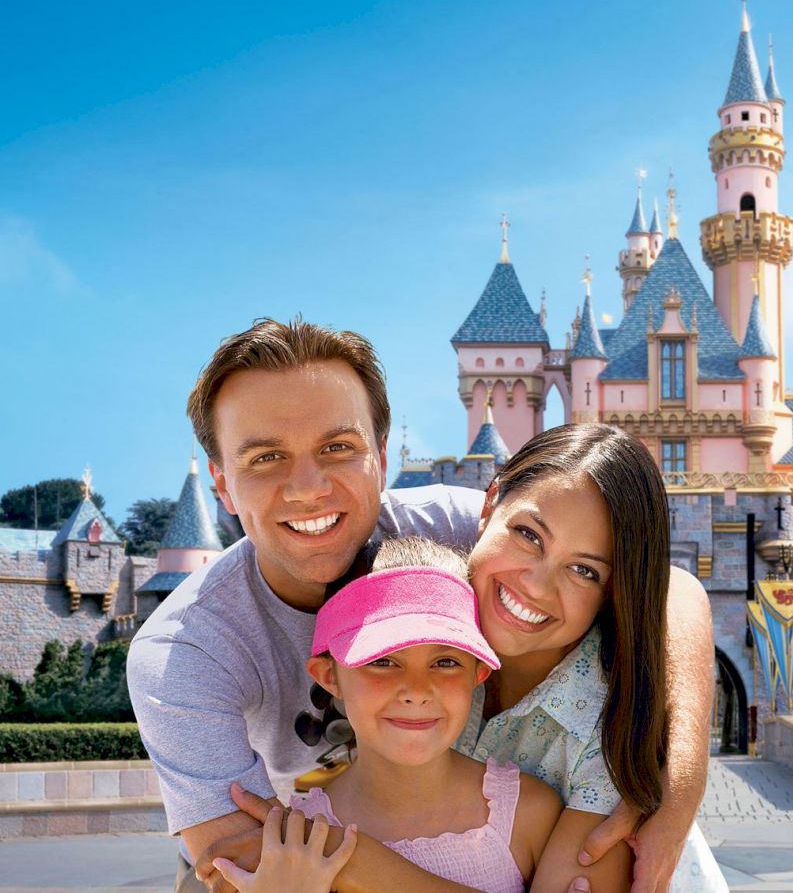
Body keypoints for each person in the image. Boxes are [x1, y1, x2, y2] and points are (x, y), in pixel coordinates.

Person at [127, 318, 714, 892]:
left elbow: (668, 585)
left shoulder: (458, 537)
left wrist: (679, 783)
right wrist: (329, 849)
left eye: (337, 447)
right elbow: (240, 863)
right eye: (265, 457)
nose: (307, 487)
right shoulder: (183, 653)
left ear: (380, 456)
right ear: (222, 482)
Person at [208, 424, 727, 891]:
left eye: (585, 571)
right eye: (528, 536)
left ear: (616, 589)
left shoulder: (612, 723)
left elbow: (678, 588)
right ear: (488, 504)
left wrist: (338, 851)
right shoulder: (431, 609)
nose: (536, 585)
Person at [212, 536, 563, 892]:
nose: (416, 690)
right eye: (382, 661)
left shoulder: (530, 813)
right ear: (329, 676)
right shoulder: (297, 843)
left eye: (445, 662)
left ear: (478, 674)